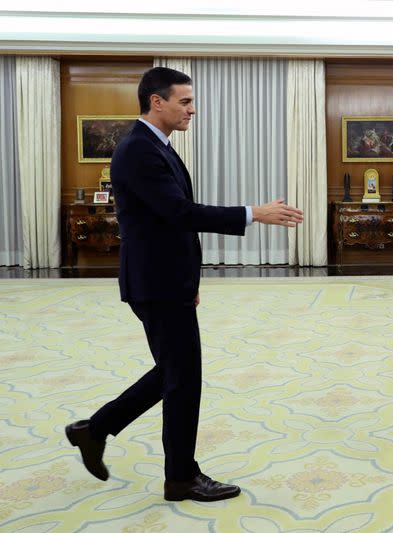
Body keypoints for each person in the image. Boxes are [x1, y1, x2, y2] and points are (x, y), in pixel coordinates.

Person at [65, 67, 304, 501]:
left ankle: (93, 430)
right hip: (155, 283)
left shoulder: (158, 147)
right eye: (185, 102)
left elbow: (171, 223)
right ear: (157, 102)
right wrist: (253, 213)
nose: (192, 110)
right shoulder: (138, 150)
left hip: (167, 280)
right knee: (183, 379)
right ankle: (179, 476)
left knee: (172, 374)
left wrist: (189, 279)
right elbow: (180, 213)